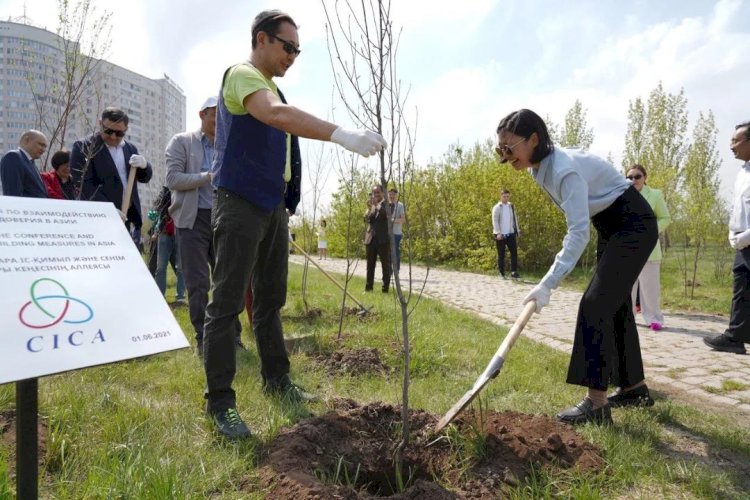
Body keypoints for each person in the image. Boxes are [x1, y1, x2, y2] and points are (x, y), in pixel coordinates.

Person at [203, 9, 386, 439]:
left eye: (298, 50)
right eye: (288, 47)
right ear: (262, 39)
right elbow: (278, 118)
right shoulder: (243, 75)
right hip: (239, 203)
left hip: (271, 208)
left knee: (269, 301)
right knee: (227, 303)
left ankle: (277, 379)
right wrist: (342, 134)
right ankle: (220, 403)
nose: (293, 56)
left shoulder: (274, 88)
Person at [496, 109, 657, 425]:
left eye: (510, 147)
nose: (505, 155)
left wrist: (548, 283)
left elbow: (578, 232)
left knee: (595, 303)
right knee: (615, 303)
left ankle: (596, 404)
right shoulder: (537, 168)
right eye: (501, 148)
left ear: (534, 139)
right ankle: (634, 388)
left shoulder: (563, 170)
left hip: (632, 223)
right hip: (611, 225)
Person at [166, 96, 244, 354]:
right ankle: (204, 338)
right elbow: (173, 179)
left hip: (223, 217)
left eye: (223, 115)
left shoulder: (229, 145)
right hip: (191, 220)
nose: (219, 120)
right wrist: (208, 176)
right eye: (214, 114)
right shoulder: (181, 142)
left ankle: (233, 337)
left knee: (228, 281)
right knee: (198, 282)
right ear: (202, 115)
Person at [704, 121, 750, 355]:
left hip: (748, 239)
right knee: (741, 289)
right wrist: (734, 233)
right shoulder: (743, 172)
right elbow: (739, 208)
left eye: (736, 141)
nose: (731, 145)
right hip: (742, 242)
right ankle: (735, 337)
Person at [70, 107, 152, 230]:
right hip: (98, 218)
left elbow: (144, 178)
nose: (113, 137)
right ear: (100, 123)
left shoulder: (130, 149)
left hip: (126, 217)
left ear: (126, 129)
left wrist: (145, 166)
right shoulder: (84, 147)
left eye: (119, 133)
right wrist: (108, 209)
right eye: (108, 131)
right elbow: (83, 184)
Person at [626, 165, 670, 331]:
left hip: (649, 249)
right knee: (627, 288)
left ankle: (653, 318)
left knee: (650, 287)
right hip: (627, 249)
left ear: (645, 178)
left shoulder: (655, 195)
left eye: (637, 176)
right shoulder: (622, 194)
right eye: (630, 177)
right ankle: (627, 318)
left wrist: (650, 231)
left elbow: (665, 218)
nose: (634, 180)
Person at [152, 186, 186, 304]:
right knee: (161, 267)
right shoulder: (164, 191)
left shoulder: (184, 191)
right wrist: (166, 199)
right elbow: (156, 207)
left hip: (181, 232)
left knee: (181, 267)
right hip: (164, 233)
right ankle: (160, 296)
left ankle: (180, 297)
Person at [0, 130, 48, 198]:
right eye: (41, 145)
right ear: (26, 140)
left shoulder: (31, 163)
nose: (43, 150)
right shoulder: (13, 157)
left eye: (45, 147)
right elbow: (13, 195)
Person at [364, 185, 391, 292]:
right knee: (370, 265)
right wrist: (369, 210)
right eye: (374, 193)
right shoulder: (372, 206)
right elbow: (367, 220)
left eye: (378, 192)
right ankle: (368, 288)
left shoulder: (387, 204)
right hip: (371, 239)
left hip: (383, 239)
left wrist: (377, 206)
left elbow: (386, 215)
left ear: (383, 193)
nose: (376, 195)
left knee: (385, 265)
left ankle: (385, 289)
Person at [491, 189, 521, 279]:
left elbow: (515, 219)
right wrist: (498, 233)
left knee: (514, 253)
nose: (506, 198)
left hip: (510, 233)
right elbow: (495, 220)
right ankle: (501, 273)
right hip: (500, 234)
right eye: (504, 196)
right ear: (501, 196)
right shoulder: (497, 207)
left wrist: (518, 230)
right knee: (501, 254)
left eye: (507, 196)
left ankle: (513, 272)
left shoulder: (511, 206)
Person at [388, 188, 406, 271]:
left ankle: (396, 271)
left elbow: (403, 220)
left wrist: (392, 220)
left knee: (395, 252)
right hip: (387, 233)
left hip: (396, 233)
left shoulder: (400, 205)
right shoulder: (386, 205)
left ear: (396, 195)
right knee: (388, 253)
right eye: (390, 194)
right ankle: (389, 271)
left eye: (393, 194)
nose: (391, 196)